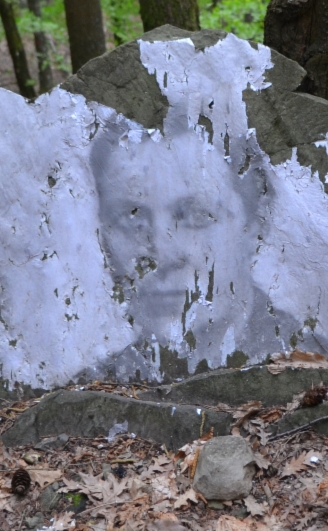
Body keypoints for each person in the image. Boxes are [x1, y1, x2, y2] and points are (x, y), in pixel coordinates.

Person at [87, 122, 293, 381]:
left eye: (196, 216)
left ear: (254, 226)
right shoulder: (100, 385)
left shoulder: (311, 365)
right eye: (132, 217)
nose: (163, 252)